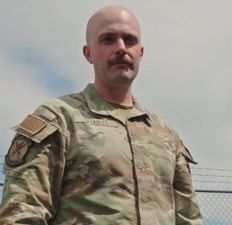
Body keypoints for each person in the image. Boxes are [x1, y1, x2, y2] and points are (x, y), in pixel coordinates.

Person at [0, 5, 203, 225]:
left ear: (141, 53)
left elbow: (188, 218)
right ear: (88, 53)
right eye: (108, 39)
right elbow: (21, 213)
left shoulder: (165, 134)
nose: (121, 48)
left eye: (130, 40)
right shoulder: (58, 118)